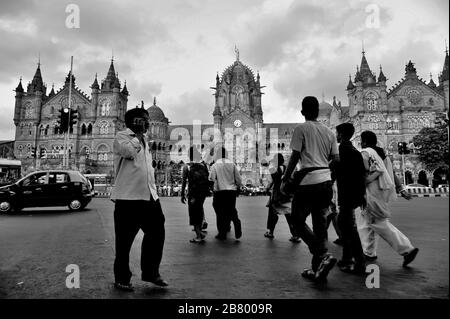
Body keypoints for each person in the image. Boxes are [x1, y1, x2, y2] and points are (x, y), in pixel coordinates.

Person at [281, 96, 339, 282]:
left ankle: (322, 254)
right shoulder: (330, 133)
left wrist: (285, 177)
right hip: (326, 181)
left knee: (297, 222)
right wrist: (327, 173)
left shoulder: (301, 128)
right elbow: (336, 160)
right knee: (319, 225)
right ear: (317, 112)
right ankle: (318, 270)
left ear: (303, 111)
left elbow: (295, 156)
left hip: (308, 181)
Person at [110, 108, 168, 291]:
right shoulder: (121, 137)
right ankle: (122, 278)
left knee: (157, 233)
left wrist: (155, 192)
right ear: (135, 121)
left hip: (149, 197)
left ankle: (151, 272)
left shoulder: (145, 141)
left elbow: (147, 170)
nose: (148, 123)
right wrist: (138, 136)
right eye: (145, 120)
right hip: (128, 198)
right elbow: (128, 153)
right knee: (124, 242)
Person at [356, 131, 419, 267]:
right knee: (366, 223)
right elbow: (392, 174)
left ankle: (407, 249)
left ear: (365, 141)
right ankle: (369, 252)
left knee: (378, 222)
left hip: (372, 192)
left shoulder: (366, 153)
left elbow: (362, 175)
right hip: (382, 192)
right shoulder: (383, 155)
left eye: (361, 140)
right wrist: (401, 189)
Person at [332, 123, 367, 274]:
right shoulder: (355, 151)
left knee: (347, 227)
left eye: (337, 133)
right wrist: (362, 195)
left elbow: (333, 170)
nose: (336, 136)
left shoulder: (341, 151)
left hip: (346, 193)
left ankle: (359, 262)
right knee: (346, 225)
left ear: (341, 134)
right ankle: (347, 259)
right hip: (354, 194)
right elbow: (362, 175)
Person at [264, 153, 301, 243]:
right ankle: (295, 234)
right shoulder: (287, 168)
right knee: (288, 214)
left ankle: (270, 232)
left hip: (277, 194)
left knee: (272, 214)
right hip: (286, 193)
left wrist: (267, 188)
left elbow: (272, 181)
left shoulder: (274, 168)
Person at [209, 146, 243, 240]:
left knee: (220, 212)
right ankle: (236, 223)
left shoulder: (215, 165)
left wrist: (212, 189)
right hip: (231, 191)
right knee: (231, 209)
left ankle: (222, 233)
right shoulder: (232, 164)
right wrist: (238, 188)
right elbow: (238, 179)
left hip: (219, 192)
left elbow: (211, 178)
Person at [181, 146, 211, 243]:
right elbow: (208, 177)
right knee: (199, 210)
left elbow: (184, 181)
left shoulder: (187, 166)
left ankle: (198, 235)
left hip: (193, 193)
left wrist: (182, 194)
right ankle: (200, 231)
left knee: (193, 213)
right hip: (202, 192)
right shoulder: (203, 165)